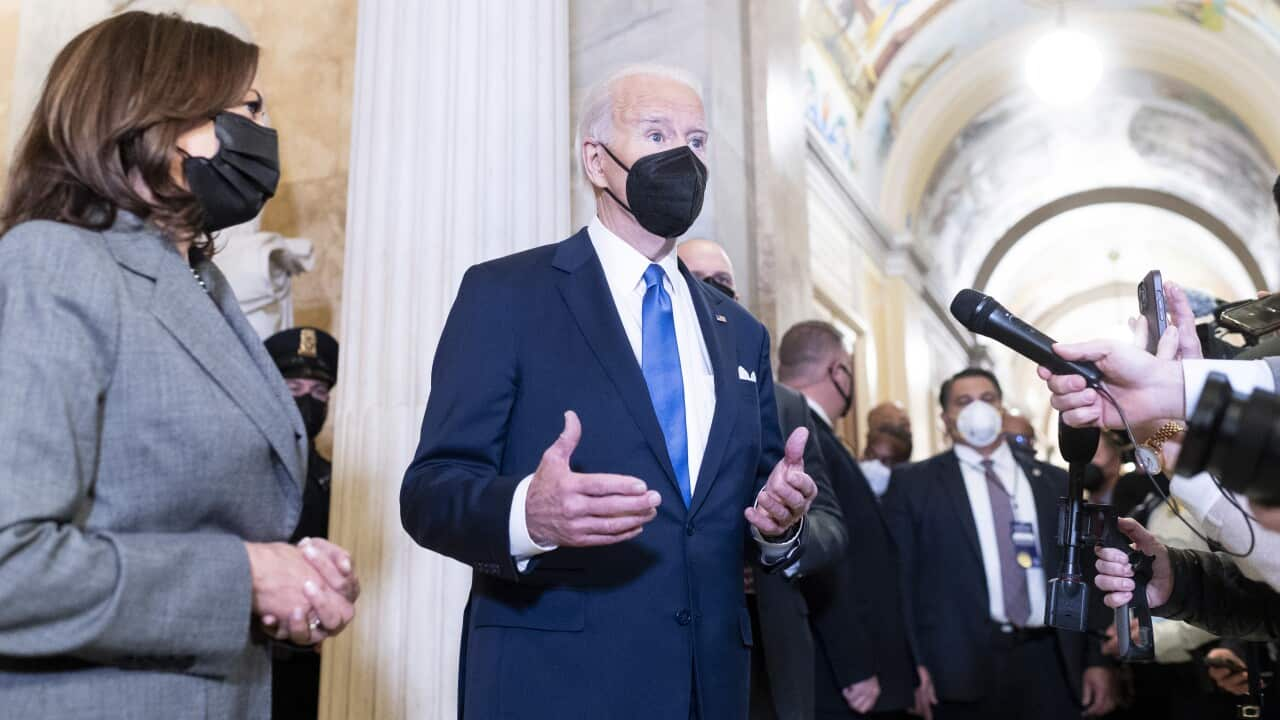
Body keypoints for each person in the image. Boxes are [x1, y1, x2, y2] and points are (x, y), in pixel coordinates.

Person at [399, 64, 818, 720]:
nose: (683, 156)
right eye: (656, 134)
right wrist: (527, 515)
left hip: (710, 689)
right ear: (597, 160)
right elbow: (430, 494)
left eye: (698, 139)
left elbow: (751, 508)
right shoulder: (507, 295)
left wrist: (779, 525)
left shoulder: (741, 333)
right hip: (555, 685)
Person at [0, 12, 357, 718]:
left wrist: (297, 577)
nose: (265, 130)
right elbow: (11, 563)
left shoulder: (196, 279)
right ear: (154, 117)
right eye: (249, 107)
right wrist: (247, 580)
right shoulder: (54, 262)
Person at [677, 237, 848, 720]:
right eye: (697, 282)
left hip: (766, 647)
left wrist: (786, 530)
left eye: (724, 286)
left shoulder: (785, 403)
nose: (713, 295)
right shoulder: (640, 391)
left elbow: (832, 525)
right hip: (667, 642)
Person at [882, 368, 1116, 720]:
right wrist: (911, 667)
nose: (979, 409)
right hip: (958, 665)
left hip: (1051, 660)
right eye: (964, 402)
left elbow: (1084, 568)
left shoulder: (1054, 481)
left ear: (1002, 409)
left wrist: (1096, 660)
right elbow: (897, 582)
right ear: (946, 418)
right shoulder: (914, 484)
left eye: (988, 399)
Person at [778, 321, 918, 719]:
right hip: (842, 676)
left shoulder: (813, 432)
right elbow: (821, 558)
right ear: (837, 370)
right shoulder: (803, 436)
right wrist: (854, 664)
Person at [264, 326, 343, 720]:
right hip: (254, 655)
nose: (307, 402)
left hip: (315, 658)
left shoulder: (334, 480)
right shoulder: (248, 467)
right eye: (293, 389)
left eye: (318, 393)